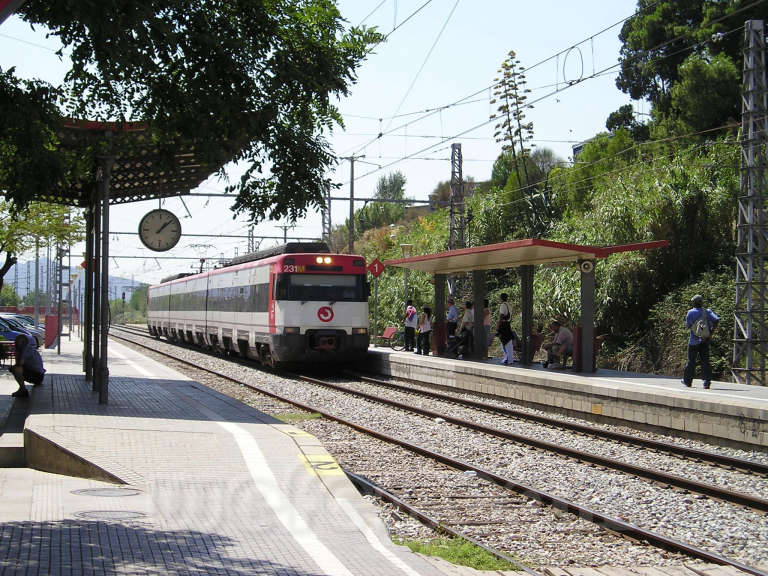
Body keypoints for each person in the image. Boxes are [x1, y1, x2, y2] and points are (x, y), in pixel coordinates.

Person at [682, 294, 719, 389]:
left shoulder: (690, 312)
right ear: (702, 302)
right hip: (705, 340)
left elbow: (688, 326)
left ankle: (687, 381)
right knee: (705, 361)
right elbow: (716, 320)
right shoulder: (707, 311)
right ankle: (706, 382)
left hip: (693, 341)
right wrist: (710, 333)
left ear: (693, 303)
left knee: (691, 361)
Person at [10, 333, 45, 398]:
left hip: (37, 376)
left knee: (16, 369)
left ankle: (23, 390)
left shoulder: (28, 350)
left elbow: (19, 364)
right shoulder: (27, 349)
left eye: (22, 342)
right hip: (35, 374)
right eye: (18, 342)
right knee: (14, 368)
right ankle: (21, 389)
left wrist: (17, 353)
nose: (19, 344)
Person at [496, 293, 515, 365]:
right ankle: (509, 359)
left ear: (501, 298)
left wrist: (498, 325)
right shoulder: (509, 305)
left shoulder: (503, 305)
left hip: (503, 325)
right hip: (508, 324)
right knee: (508, 342)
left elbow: (501, 316)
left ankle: (507, 358)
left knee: (505, 342)